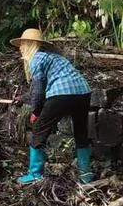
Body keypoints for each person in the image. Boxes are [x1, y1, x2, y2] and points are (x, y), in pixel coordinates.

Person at [10, 28, 93, 184]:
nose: (20, 48)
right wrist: (23, 98)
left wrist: (36, 111)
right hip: (83, 92)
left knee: (39, 129)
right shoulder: (54, 57)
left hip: (62, 94)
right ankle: (86, 174)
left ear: (29, 44)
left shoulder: (36, 59)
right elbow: (41, 90)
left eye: (22, 44)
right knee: (81, 132)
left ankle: (35, 173)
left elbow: (39, 92)